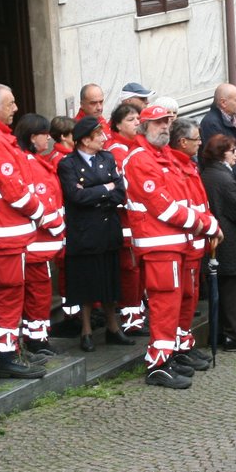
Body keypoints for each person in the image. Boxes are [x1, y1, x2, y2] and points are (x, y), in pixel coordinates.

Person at [0, 85, 59, 379]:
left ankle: (11, 349)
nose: (16, 108)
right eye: (11, 103)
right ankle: (7, 356)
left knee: (9, 295)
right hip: (3, 232)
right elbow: (15, 192)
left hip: (1, 230)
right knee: (9, 295)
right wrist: (44, 215)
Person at [125, 104, 219, 388]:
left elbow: (186, 201)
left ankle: (169, 356)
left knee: (175, 302)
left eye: (167, 121)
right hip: (159, 246)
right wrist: (208, 225)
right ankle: (158, 364)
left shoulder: (163, 157)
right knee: (165, 305)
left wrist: (203, 225)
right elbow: (165, 208)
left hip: (176, 244)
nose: (165, 126)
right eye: (157, 123)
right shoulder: (140, 160)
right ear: (144, 126)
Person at [58, 116, 128, 352]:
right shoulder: (68, 164)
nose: (103, 138)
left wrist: (95, 191)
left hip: (107, 229)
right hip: (85, 233)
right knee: (87, 283)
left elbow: (120, 192)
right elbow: (75, 197)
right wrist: (104, 189)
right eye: (98, 135)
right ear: (85, 140)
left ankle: (112, 327)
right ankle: (86, 330)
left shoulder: (106, 158)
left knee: (109, 281)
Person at [199, 132, 236, 352]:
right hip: (231, 244)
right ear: (222, 153)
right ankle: (234, 337)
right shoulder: (223, 178)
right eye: (233, 150)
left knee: (226, 292)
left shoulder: (213, 174)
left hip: (223, 242)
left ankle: (221, 334)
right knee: (233, 293)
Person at [13, 113, 66, 358]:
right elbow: (39, 199)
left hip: (42, 243)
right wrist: (56, 225)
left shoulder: (33, 160)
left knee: (40, 293)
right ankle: (36, 340)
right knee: (38, 294)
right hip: (36, 243)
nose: (49, 138)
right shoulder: (28, 163)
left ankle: (38, 337)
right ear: (33, 138)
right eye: (45, 134)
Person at [167, 119, 213, 371]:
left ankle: (184, 342)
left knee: (190, 296)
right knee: (182, 297)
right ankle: (176, 345)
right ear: (182, 142)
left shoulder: (187, 163)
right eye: (196, 139)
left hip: (196, 241)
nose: (200, 143)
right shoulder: (174, 166)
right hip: (184, 243)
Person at [105, 101, 148, 337]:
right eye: (131, 120)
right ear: (118, 125)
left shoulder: (134, 147)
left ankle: (138, 314)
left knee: (138, 268)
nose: (136, 123)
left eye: (138, 119)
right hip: (125, 219)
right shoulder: (117, 151)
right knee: (130, 268)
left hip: (137, 218)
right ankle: (131, 319)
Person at [200, 84, 236, 196]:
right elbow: (222, 158)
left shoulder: (232, 118)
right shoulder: (211, 123)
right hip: (228, 185)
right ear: (223, 102)